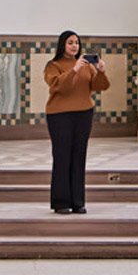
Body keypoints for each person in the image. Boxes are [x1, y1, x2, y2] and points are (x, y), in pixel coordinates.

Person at [44, 29, 106, 214]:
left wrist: (101, 72)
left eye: (77, 43)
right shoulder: (53, 65)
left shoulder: (87, 66)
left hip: (83, 113)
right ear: (63, 44)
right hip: (59, 115)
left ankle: (78, 201)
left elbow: (99, 86)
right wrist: (74, 69)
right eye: (70, 43)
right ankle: (61, 202)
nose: (74, 46)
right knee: (62, 156)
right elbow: (57, 86)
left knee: (79, 156)